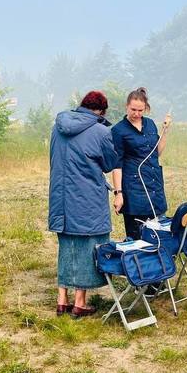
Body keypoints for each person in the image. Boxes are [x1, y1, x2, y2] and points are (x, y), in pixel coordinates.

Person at [48, 91, 118, 318]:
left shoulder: (58, 127)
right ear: (101, 111)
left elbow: (52, 158)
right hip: (88, 199)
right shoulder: (101, 131)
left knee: (66, 245)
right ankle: (80, 303)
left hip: (60, 197)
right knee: (89, 246)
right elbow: (109, 163)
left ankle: (61, 300)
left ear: (81, 106)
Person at [111, 87, 172, 241]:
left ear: (146, 108)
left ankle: (160, 263)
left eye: (140, 110)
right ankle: (138, 264)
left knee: (159, 233)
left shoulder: (150, 124)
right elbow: (117, 165)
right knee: (138, 237)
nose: (137, 114)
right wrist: (119, 194)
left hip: (154, 185)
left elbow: (156, 152)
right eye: (133, 110)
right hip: (134, 189)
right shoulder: (118, 130)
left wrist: (165, 131)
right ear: (126, 106)